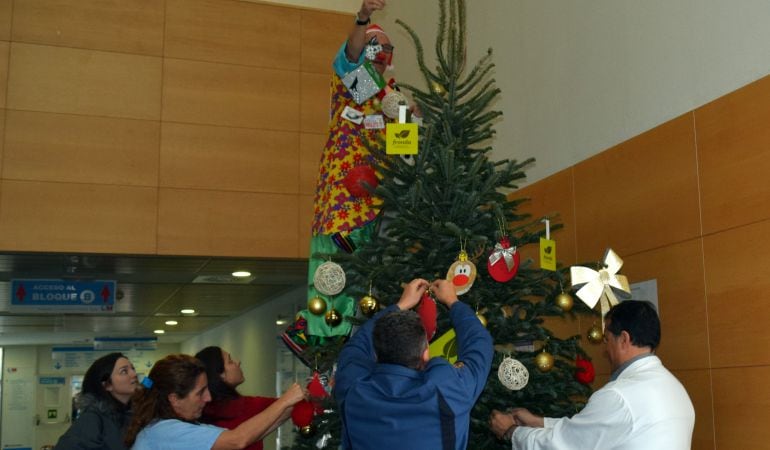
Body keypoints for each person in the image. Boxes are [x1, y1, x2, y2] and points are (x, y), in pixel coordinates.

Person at [296, 0, 408, 346]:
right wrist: (363, 17)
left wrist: (410, 119)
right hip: (342, 206)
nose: (379, 52)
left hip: (380, 207)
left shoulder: (391, 97)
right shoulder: (354, 81)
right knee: (334, 271)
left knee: (372, 278)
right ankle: (329, 341)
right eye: (374, 44)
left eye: (386, 48)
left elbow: (406, 146)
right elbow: (352, 53)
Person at [489, 300, 695, 449]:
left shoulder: (619, 396)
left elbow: (564, 445)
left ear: (624, 339)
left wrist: (511, 432)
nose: (605, 349)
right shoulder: (675, 387)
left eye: (607, 339)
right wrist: (538, 421)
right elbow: (586, 430)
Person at [334, 278, 494, 449]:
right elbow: (480, 344)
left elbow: (356, 346)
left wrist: (401, 305)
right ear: (426, 354)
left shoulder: (353, 389)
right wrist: (452, 301)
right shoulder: (450, 389)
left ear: (376, 354)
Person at [125, 354, 305, 450]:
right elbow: (238, 441)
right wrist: (286, 400)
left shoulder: (170, 427)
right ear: (174, 399)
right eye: (200, 393)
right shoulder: (166, 431)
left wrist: (292, 404)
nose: (208, 398)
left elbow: (248, 437)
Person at [194, 346, 294, 450]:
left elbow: (285, 409)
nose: (238, 362)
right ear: (220, 375)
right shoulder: (245, 407)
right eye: (230, 361)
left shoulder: (201, 413)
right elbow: (290, 405)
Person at [54, 352, 137, 450]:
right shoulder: (92, 419)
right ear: (107, 385)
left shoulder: (131, 415)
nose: (134, 374)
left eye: (133, 368)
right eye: (124, 371)